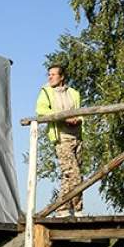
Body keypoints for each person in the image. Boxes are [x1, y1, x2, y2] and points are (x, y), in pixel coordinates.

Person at [35, 65, 84, 217]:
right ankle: (77, 208)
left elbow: (80, 112)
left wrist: (78, 120)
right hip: (61, 137)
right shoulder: (46, 92)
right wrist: (63, 117)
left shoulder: (74, 93)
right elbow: (41, 111)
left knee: (69, 175)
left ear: (62, 77)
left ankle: (63, 208)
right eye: (48, 74)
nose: (49, 77)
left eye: (53, 75)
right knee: (73, 173)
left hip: (77, 136)